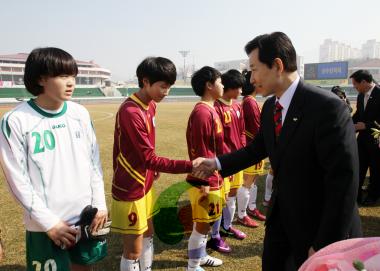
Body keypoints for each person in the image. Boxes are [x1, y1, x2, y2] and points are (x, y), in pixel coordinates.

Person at [194, 32, 362, 270]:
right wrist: (217, 164)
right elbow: (257, 149)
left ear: (277, 66)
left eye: (254, 69)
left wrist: (326, 242)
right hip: (282, 221)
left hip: (318, 228)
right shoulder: (271, 106)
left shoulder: (327, 108)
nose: (251, 78)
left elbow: (344, 181)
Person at [0, 47, 108, 271]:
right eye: (62, 76)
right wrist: (50, 223)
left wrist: (99, 204)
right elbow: (17, 181)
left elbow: (93, 163)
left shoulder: (80, 114)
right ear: (41, 79)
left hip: (84, 217)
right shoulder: (16, 120)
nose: (71, 83)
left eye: (73, 76)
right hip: (47, 225)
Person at [110, 57, 203, 271]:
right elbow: (148, 158)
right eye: (163, 86)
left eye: (169, 87)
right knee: (132, 251)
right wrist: (191, 165)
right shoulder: (130, 112)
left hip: (146, 183)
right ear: (145, 81)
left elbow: (148, 153)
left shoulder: (150, 105)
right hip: (131, 187)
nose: (166, 92)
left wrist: (152, 169)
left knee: (149, 235)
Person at [186, 66, 226, 271]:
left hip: (214, 177)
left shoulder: (212, 109)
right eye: (220, 81)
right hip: (205, 179)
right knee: (202, 224)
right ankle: (192, 266)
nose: (223, 85)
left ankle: (200, 257)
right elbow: (199, 151)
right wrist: (204, 182)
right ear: (209, 85)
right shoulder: (202, 112)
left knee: (207, 222)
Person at [240, 69, 267, 222]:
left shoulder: (250, 101)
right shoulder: (249, 101)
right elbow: (256, 128)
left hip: (254, 147)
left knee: (252, 182)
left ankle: (251, 208)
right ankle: (243, 214)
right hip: (253, 147)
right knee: (247, 183)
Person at [351, 70, 380, 206]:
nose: (354, 87)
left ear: (363, 82)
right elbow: (358, 115)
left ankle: (373, 196)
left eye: (355, 84)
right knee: (359, 167)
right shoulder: (360, 96)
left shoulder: (379, 93)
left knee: (375, 169)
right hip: (362, 140)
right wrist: (347, 123)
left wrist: (366, 126)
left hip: (376, 140)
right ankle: (356, 195)